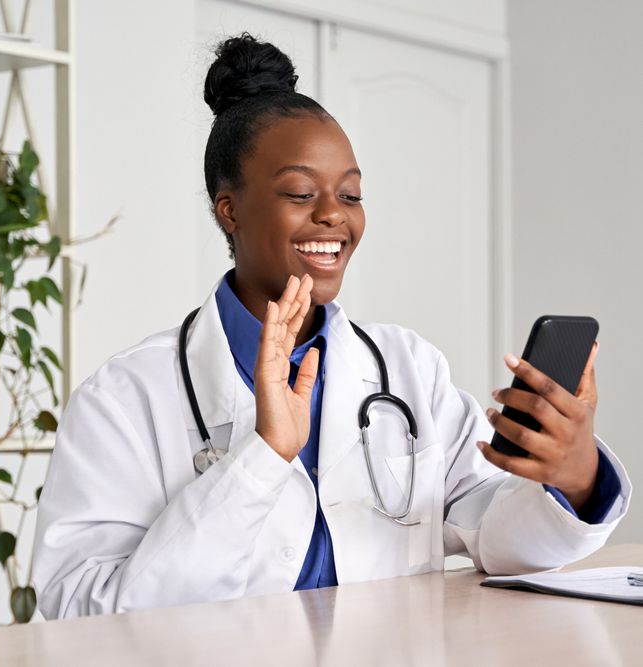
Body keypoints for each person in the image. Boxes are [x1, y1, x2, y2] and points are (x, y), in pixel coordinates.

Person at [32, 34, 630, 619]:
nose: (332, 215)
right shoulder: (123, 399)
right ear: (229, 208)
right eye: (299, 191)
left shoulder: (407, 368)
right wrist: (262, 458)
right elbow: (80, 614)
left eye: (350, 194)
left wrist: (573, 480)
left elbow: (493, 535)